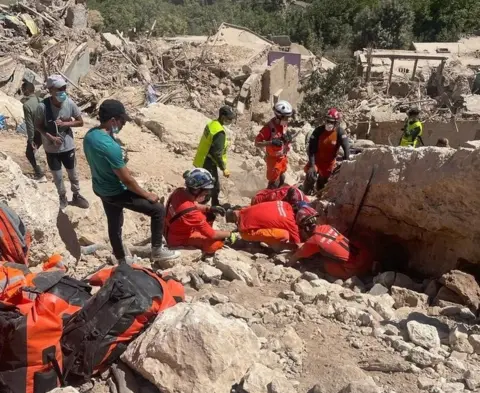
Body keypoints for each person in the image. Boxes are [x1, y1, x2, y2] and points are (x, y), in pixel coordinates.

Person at [83, 99, 180, 264]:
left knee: (114, 224)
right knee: (157, 210)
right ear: (113, 120)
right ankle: (157, 250)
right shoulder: (109, 147)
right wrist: (147, 194)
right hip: (116, 191)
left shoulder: (90, 136)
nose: (123, 125)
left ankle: (121, 259)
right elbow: (127, 180)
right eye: (122, 121)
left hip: (100, 188)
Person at [35, 75, 88, 209]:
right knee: (57, 175)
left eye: (64, 88)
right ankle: (62, 196)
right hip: (51, 148)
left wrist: (65, 123)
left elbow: (80, 122)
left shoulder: (69, 103)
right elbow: (38, 125)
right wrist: (51, 138)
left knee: (73, 173)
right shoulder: (43, 107)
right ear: (51, 90)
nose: (63, 91)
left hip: (67, 146)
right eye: (59, 88)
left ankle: (76, 195)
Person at [287, 205, 374, 280]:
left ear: (305, 228)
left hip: (354, 270)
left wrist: (286, 266)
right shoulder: (328, 227)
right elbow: (333, 242)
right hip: (365, 258)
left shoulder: (314, 240)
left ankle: (345, 275)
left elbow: (296, 256)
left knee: (324, 262)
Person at [164, 168, 235, 255]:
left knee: (207, 215)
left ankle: (202, 230)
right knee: (214, 244)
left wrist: (209, 208)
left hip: (169, 229)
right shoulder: (193, 214)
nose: (207, 193)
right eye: (206, 191)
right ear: (197, 190)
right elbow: (212, 234)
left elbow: (192, 206)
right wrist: (230, 233)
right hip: (178, 239)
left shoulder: (179, 192)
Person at [193, 106, 235, 206]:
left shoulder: (212, 124)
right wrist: (223, 168)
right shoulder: (219, 133)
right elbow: (217, 153)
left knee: (211, 186)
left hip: (202, 158)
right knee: (209, 188)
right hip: (208, 163)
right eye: (229, 118)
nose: (230, 121)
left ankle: (214, 205)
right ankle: (199, 207)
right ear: (222, 117)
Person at [303, 108, 350, 195]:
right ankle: (305, 193)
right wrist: (312, 165)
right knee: (310, 175)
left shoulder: (340, 132)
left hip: (329, 163)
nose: (329, 124)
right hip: (316, 160)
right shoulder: (318, 131)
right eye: (328, 121)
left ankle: (317, 196)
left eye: (332, 122)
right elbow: (311, 149)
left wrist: (346, 163)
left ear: (336, 123)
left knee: (323, 184)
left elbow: (346, 148)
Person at [226, 200, 300, 252]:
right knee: (285, 234)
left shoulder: (285, 204)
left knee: (284, 233)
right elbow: (298, 245)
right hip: (245, 231)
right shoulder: (290, 221)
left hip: (245, 215)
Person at [255, 100, 294, 189]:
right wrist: (271, 142)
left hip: (282, 158)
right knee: (273, 184)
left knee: (282, 179)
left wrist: (288, 139)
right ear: (279, 116)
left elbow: (284, 136)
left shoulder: (283, 125)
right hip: (273, 160)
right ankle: (267, 197)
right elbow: (257, 143)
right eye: (286, 117)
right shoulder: (268, 128)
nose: (287, 120)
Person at [21, 81, 46, 182]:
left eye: (23, 90)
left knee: (29, 153)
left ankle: (40, 175)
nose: (22, 91)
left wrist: (31, 139)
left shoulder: (26, 105)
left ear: (26, 90)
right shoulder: (42, 100)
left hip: (36, 133)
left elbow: (29, 124)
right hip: (47, 131)